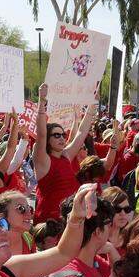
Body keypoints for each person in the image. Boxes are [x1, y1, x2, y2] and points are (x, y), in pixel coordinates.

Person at [32, 84, 96, 222]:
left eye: (62, 135)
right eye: (56, 135)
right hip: (50, 222)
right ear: (48, 140)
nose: (61, 138)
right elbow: (41, 133)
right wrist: (42, 101)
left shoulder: (66, 156)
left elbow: (81, 133)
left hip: (70, 219)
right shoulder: (42, 159)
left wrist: (92, 106)